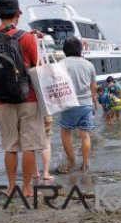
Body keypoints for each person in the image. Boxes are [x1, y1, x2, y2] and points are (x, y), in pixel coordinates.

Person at [0, 0, 43, 197]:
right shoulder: (27, 37)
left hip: (2, 99)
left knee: (10, 146)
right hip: (28, 97)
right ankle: (27, 188)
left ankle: (11, 186)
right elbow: (35, 66)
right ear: (18, 13)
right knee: (29, 146)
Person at [58, 36, 97, 173]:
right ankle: (86, 164)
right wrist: (94, 102)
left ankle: (71, 162)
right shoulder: (89, 65)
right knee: (85, 135)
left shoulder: (62, 63)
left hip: (70, 103)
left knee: (65, 132)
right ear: (80, 49)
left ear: (65, 50)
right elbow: (93, 86)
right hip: (87, 104)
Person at [35, 115, 54, 180]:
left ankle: (35, 172)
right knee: (46, 142)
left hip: (29, 109)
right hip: (45, 110)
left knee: (31, 144)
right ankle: (46, 173)